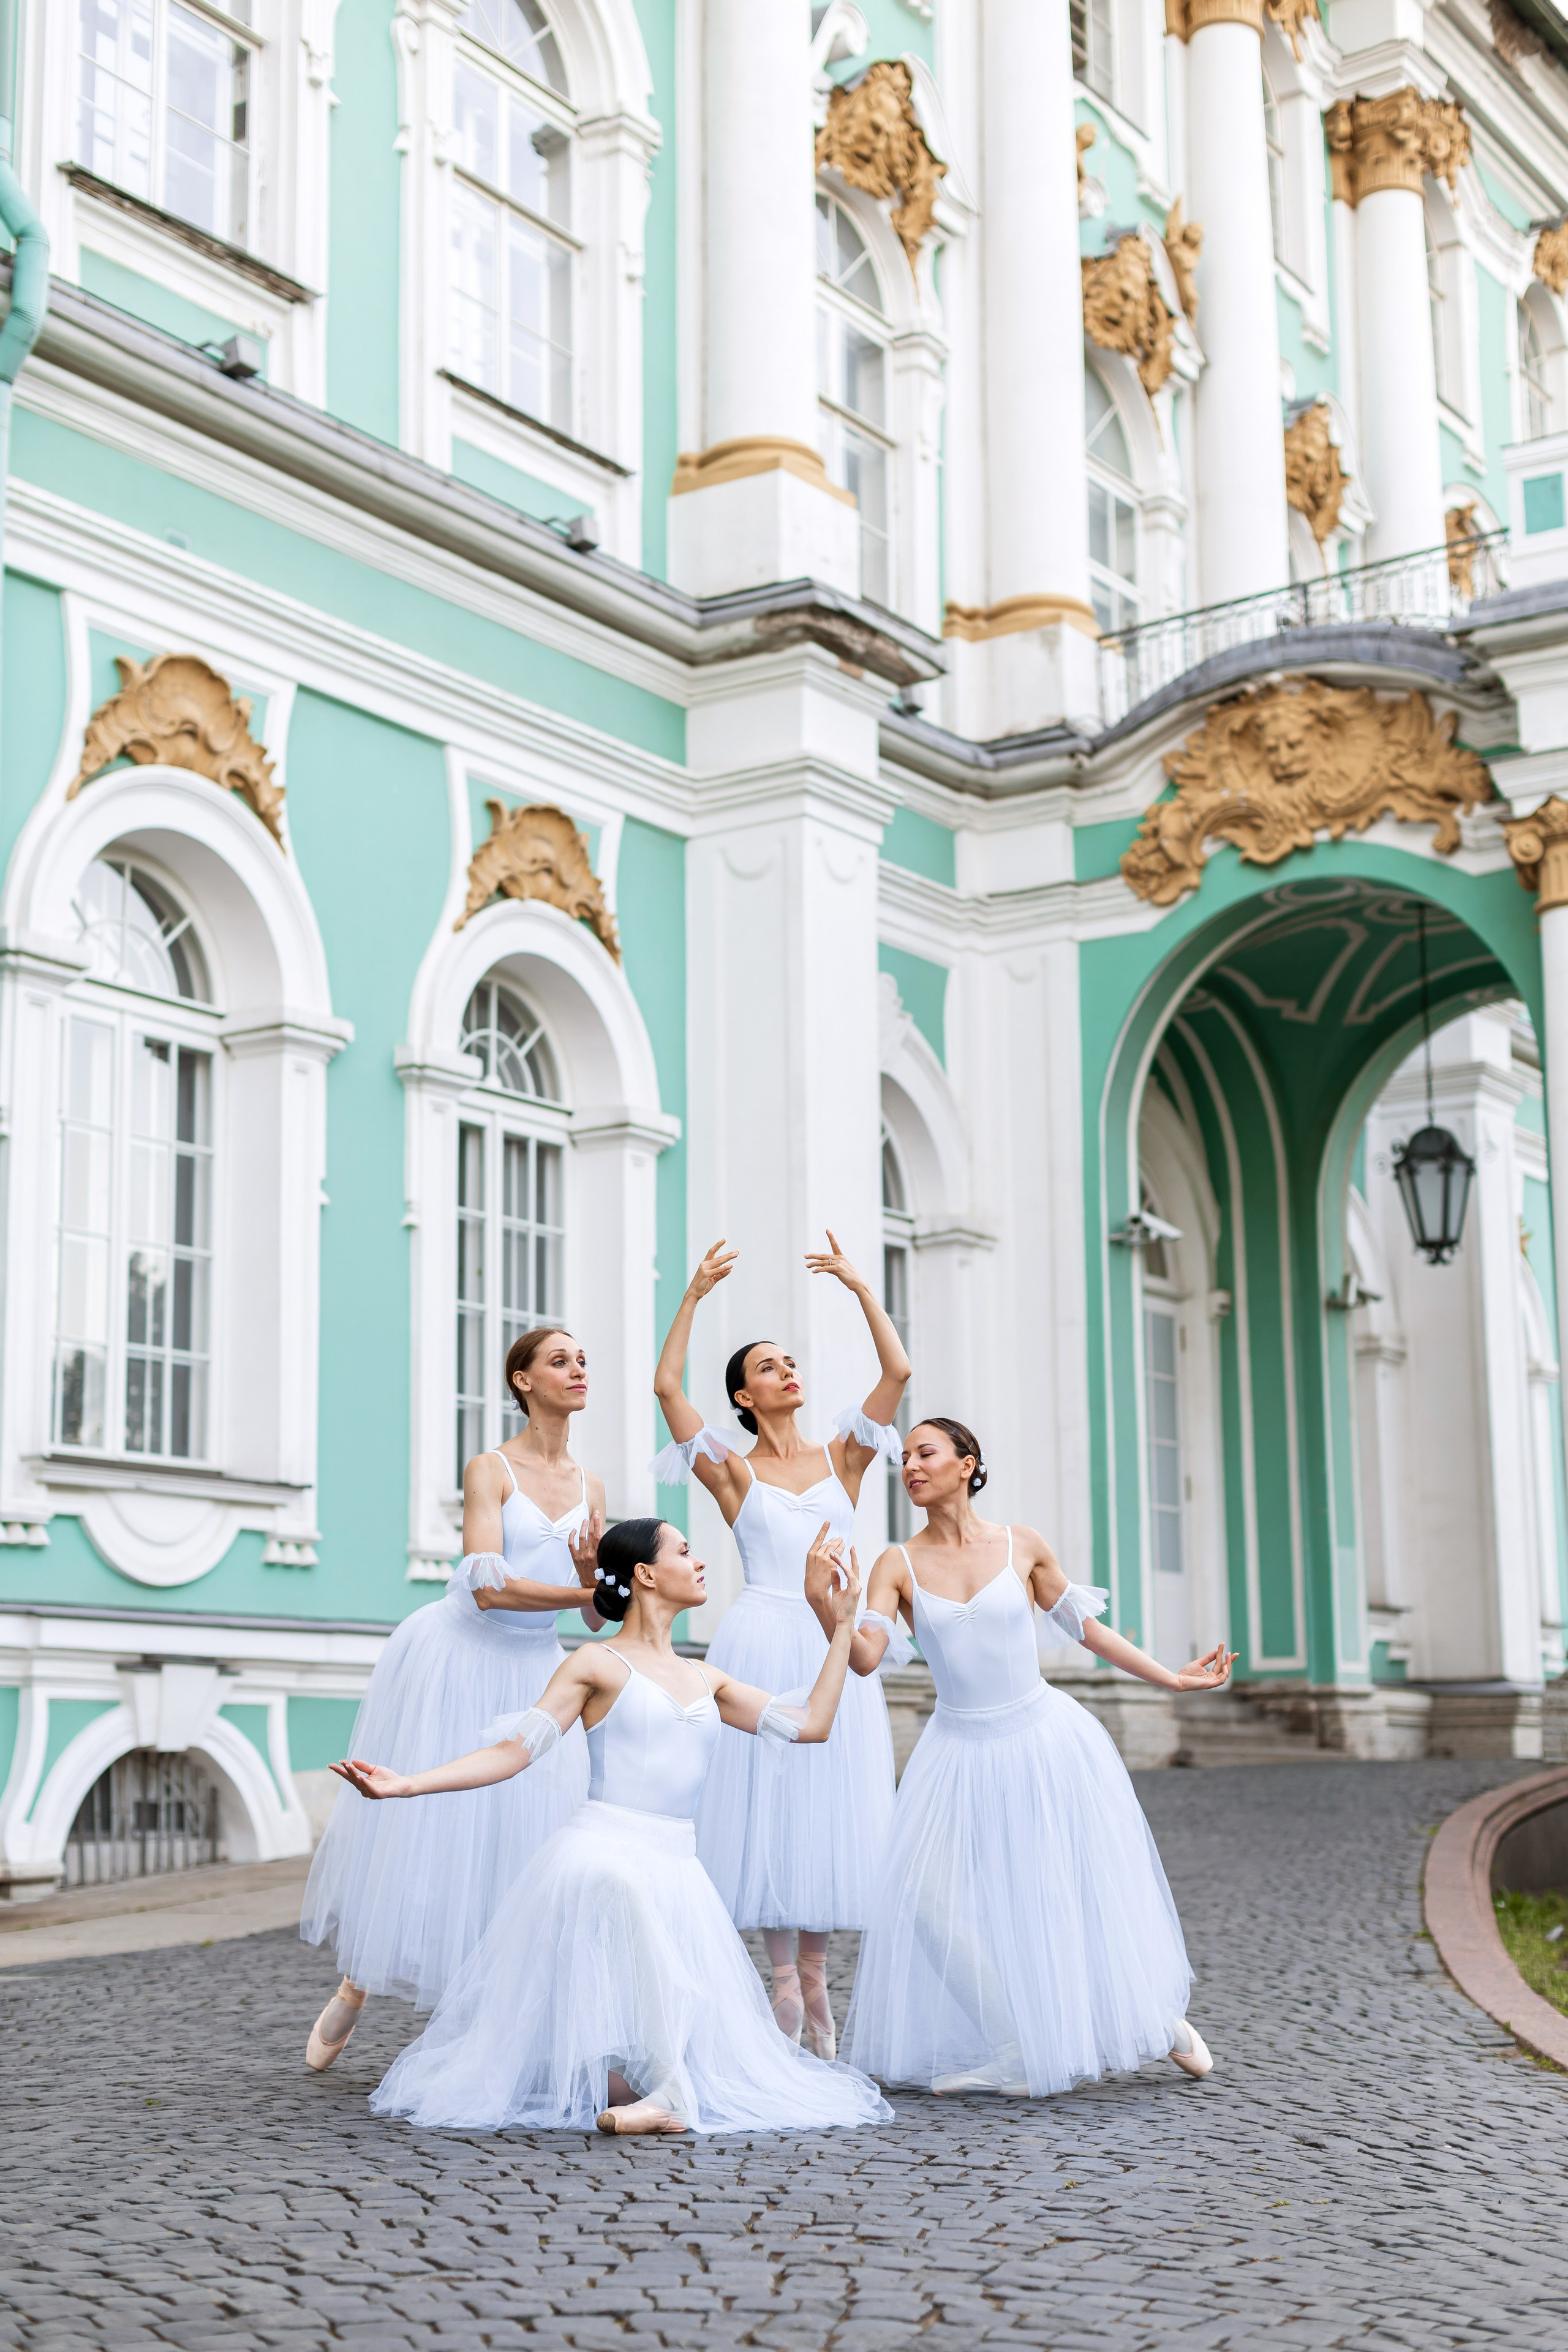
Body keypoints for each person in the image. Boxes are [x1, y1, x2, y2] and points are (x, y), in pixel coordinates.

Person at [333, 1518, 892, 2139]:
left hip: (677, 1866)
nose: (699, 1561)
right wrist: (408, 1783)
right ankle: (672, 2096)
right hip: (602, 1851)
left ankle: (652, 2083)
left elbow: (811, 1722)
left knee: (651, 2034)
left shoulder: (707, 1678)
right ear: (646, 1574)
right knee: (619, 1887)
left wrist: (840, 1624)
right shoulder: (594, 1664)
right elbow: (516, 1751)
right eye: (685, 1550)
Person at [809, 1416, 1236, 2098]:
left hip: (1042, 1741)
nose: (911, 1467)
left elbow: (1085, 1630)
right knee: (925, 1899)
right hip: (955, 1752)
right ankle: (1012, 2041)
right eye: (906, 1458)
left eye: (926, 1453)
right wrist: (827, 1610)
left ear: (967, 1462)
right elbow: (865, 1661)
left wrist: (1172, 1678)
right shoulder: (897, 1563)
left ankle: (1152, 2019)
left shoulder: (1022, 1544)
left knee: (1063, 1891)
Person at [298, 1326, 605, 2068]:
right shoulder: (490, 1468)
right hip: (459, 1659)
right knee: (430, 1832)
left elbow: (598, 1617)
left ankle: (493, 2018)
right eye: (559, 1360)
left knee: (530, 1840)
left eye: (583, 1360)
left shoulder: (594, 1487)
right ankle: (356, 1982)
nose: (577, 1370)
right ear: (523, 1380)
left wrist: (598, 1590)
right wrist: (588, 1587)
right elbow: (491, 1585)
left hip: (538, 1672)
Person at [650, 1234, 910, 2062]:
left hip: (830, 1638)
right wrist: (693, 1295)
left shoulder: (846, 1456)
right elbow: (665, 1387)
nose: (788, 1371)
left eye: (790, 1360)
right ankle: (782, 1984)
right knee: (769, 1801)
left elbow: (897, 1377)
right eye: (768, 1366)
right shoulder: (733, 1471)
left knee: (827, 1802)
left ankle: (817, 1982)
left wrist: (861, 1290)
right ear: (743, 1395)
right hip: (761, 1634)